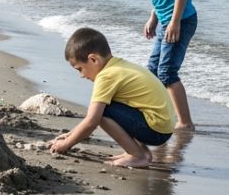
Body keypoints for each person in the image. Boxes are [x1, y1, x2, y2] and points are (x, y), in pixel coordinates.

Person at [107, 0, 197, 131]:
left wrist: (174, 23)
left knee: (167, 72)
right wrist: (153, 18)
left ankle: (185, 123)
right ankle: (161, 115)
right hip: (167, 21)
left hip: (180, 21)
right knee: (153, 71)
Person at [49, 27, 174, 168]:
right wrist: (69, 135)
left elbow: (92, 121)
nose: (82, 75)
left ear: (93, 59)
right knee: (108, 107)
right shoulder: (119, 66)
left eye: (80, 69)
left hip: (155, 130)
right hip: (163, 127)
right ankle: (142, 153)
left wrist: (66, 144)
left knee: (103, 112)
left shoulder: (106, 76)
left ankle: (137, 156)